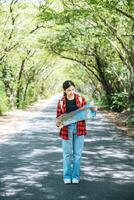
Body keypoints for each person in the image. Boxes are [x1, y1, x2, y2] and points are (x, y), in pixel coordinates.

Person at [56, 80, 96, 184]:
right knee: (67, 154)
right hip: (66, 129)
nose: (71, 92)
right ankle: (67, 176)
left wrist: (93, 109)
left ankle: (75, 176)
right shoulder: (61, 102)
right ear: (64, 90)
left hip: (80, 128)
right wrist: (59, 123)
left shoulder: (81, 99)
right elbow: (58, 117)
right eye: (69, 90)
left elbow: (87, 113)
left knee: (77, 154)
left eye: (73, 89)